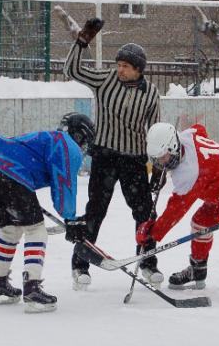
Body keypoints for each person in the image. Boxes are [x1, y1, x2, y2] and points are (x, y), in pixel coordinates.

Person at [63, 18, 162, 290]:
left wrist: (159, 169)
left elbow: (155, 131)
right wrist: (82, 42)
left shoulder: (151, 93)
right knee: (95, 211)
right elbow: (71, 70)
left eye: (126, 67)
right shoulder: (106, 79)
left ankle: (147, 261)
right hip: (105, 157)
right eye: (119, 64)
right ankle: (80, 264)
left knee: (144, 213)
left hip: (134, 160)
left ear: (138, 69)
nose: (120, 70)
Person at [137, 122, 219, 301]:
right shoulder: (188, 135)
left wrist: (152, 234)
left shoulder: (189, 172)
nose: (162, 163)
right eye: (158, 160)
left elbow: (174, 212)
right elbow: (199, 128)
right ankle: (197, 269)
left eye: (164, 157)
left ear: (174, 146)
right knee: (200, 221)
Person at [0, 113, 95, 312]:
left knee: (10, 230)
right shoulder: (68, 145)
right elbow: (64, 184)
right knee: (36, 231)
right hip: (12, 174)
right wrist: (71, 219)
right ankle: (32, 288)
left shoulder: (51, 137)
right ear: (81, 136)